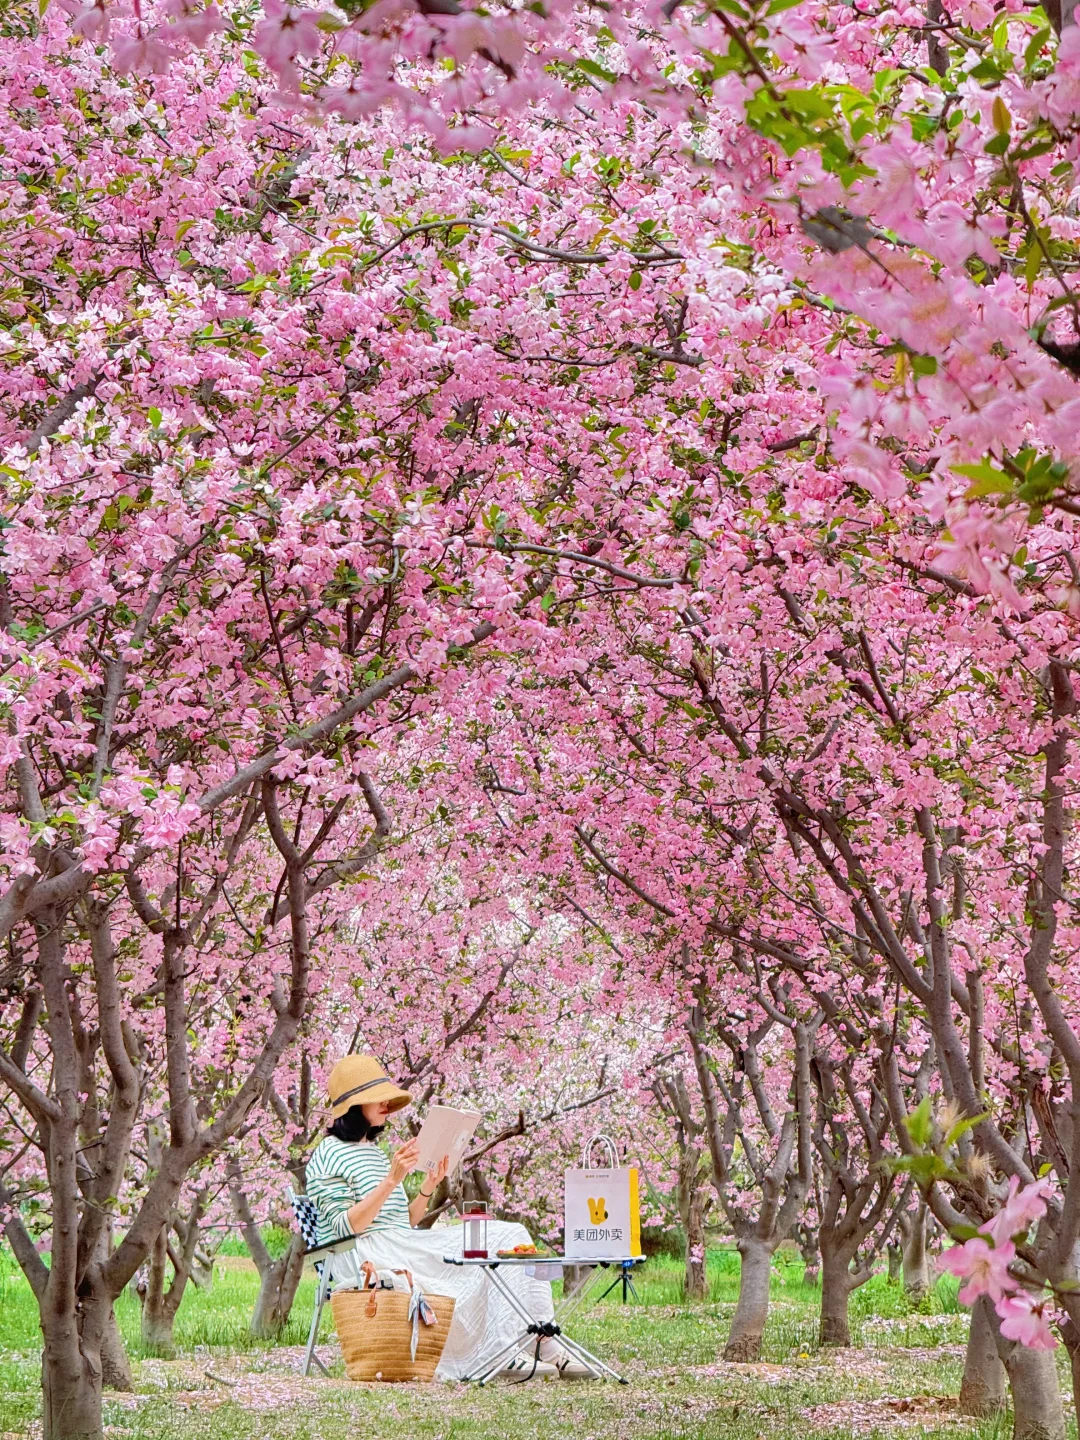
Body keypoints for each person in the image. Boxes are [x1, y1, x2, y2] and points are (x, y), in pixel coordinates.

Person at [306, 1053, 594, 1381]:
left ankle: (544, 1341)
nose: (386, 1104)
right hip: (366, 1253)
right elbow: (346, 1227)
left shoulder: (373, 1151)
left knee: (510, 1234)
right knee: (476, 1256)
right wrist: (391, 1180)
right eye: (378, 1098)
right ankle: (500, 1351)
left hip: (403, 1240)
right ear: (354, 1105)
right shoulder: (327, 1154)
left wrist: (427, 1187)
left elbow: (405, 1220)